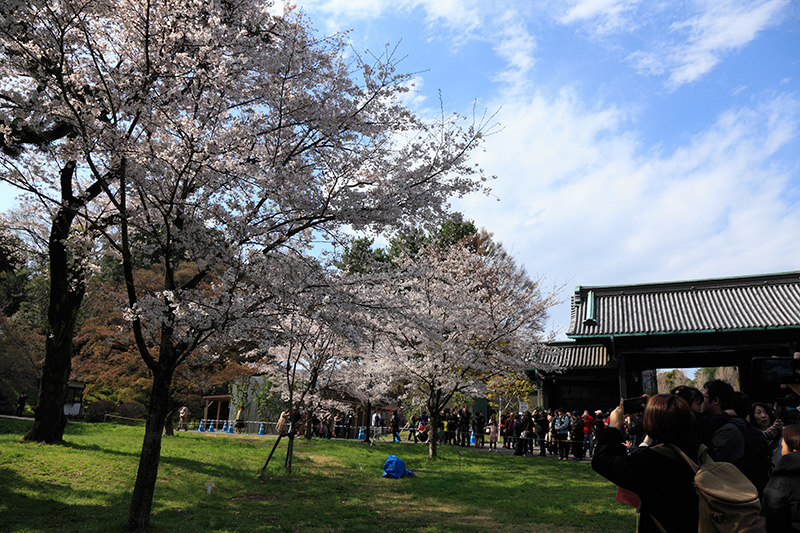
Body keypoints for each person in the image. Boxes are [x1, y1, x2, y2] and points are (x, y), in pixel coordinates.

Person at [592, 394, 700, 532]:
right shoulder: (700, 451)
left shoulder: (650, 462)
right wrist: (660, 410)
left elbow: (602, 461)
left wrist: (614, 427)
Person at [762, 423, 800, 531]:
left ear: (792, 448)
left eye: (782, 446)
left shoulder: (781, 479)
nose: (780, 450)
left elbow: (772, 517)